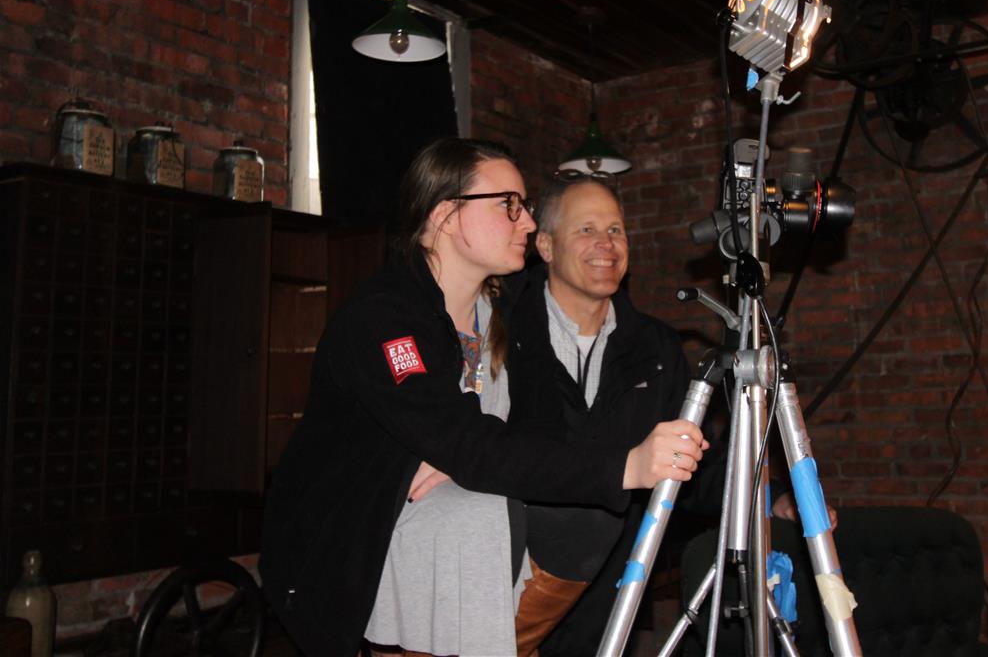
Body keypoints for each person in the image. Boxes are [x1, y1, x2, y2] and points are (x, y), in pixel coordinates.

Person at [259, 138, 706, 657]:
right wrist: (623, 466)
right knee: (478, 515)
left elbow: (531, 432)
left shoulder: (504, 320)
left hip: (446, 505)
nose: (529, 223)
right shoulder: (384, 320)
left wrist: (456, 460)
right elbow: (461, 437)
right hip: (352, 541)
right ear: (447, 214)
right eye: (509, 205)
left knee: (584, 516)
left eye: (526, 207)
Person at [504, 175, 692, 656]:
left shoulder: (659, 348)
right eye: (586, 229)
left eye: (616, 230)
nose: (606, 244)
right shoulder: (501, 333)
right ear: (544, 245)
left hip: (611, 601)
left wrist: (768, 496)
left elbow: (692, 465)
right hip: (509, 591)